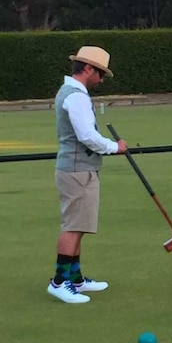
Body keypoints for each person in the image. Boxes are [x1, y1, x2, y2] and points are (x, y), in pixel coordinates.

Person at [48, 46, 128, 303]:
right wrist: (115, 147)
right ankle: (59, 281)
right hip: (77, 170)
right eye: (100, 74)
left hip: (79, 169)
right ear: (88, 69)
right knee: (73, 226)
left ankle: (76, 278)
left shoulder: (71, 92)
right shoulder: (76, 96)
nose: (102, 80)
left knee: (79, 226)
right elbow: (87, 136)